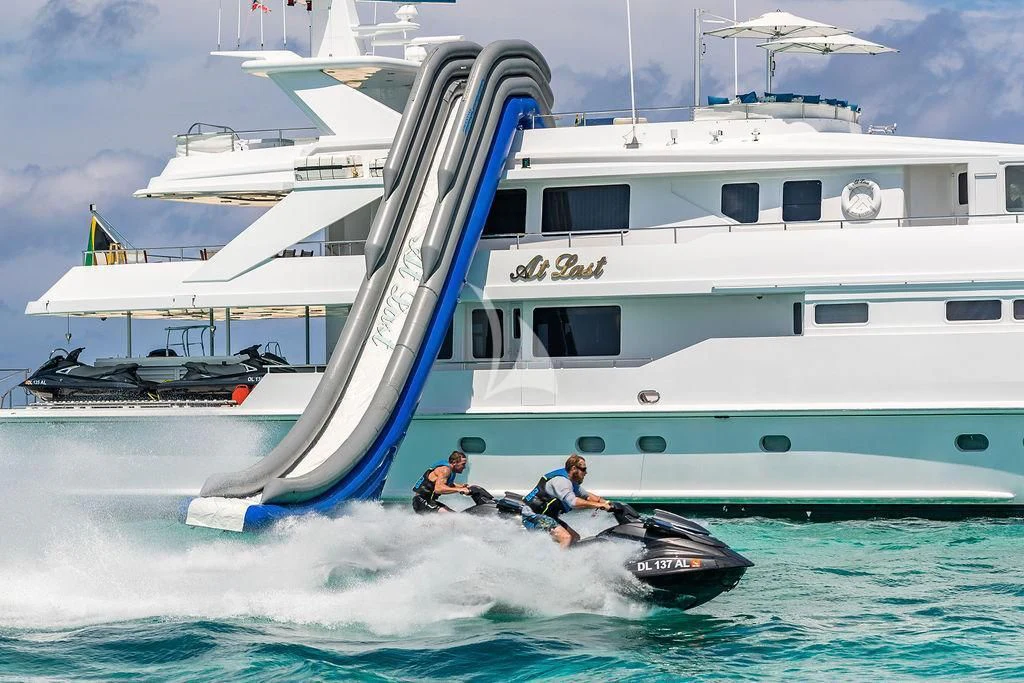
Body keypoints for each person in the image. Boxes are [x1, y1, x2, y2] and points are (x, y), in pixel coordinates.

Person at [521, 454, 612, 547]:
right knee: (566, 538)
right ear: (573, 468)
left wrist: (608, 503)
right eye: (583, 469)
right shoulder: (561, 482)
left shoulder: (571, 481)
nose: (586, 473)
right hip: (533, 516)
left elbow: (587, 496)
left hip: (547, 516)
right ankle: (560, 561)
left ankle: (564, 556)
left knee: (575, 537)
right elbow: (573, 502)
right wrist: (598, 505)